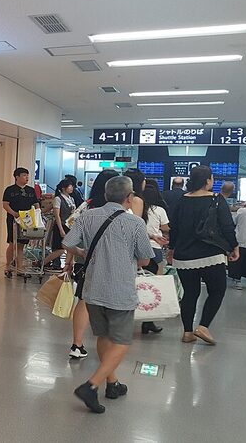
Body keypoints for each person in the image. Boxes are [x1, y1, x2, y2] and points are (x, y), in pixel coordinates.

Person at [64, 176, 154, 414]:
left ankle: (112, 383)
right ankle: (92, 385)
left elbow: (67, 242)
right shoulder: (135, 223)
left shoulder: (87, 216)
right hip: (120, 290)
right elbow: (145, 258)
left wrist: (83, 252)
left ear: (105, 195)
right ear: (129, 197)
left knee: (103, 335)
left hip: (93, 289)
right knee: (122, 341)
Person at [168, 165, 239, 345]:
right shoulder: (216, 199)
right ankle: (203, 326)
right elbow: (227, 226)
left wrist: (172, 248)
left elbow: (174, 227)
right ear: (208, 181)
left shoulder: (182, 200)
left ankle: (187, 332)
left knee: (190, 294)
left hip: (184, 256)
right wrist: (234, 246)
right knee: (217, 290)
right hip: (211, 255)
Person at [65, 169, 118, 359]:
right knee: (111, 302)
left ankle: (77, 344)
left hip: (85, 262)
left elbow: (71, 238)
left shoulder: (86, 207)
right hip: (113, 262)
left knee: (83, 300)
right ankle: (110, 344)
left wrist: (72, 259)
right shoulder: (121, 211)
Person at [140, 177, 170, 335]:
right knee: (153, 285)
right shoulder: (159, 210)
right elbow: (165, 228)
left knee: (138, 281)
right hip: (155, 249)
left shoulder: (138, 208)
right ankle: (148, 320)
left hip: (139, 249)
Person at [2, 167, 39, 278]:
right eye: (24, 175)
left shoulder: (31, 191)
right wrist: (14, 213)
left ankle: (20, 268)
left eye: (27, 175)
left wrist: (37, 214)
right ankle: (8, 266)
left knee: (21, 245)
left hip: (27, 220)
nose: (26, 177)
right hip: (13, 219)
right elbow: (5, 204)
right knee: (12, 243)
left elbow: (36, 204)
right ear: (17, 177)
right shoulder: (10, 190)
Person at [43, 179, 75, 272]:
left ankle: (68, 268)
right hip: (60, 226)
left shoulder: (71, 199)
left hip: (70, 226)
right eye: (70, 186)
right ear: (64, 188)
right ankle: (43, 263)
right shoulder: (58, 199)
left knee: (70, 249)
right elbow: (57, 215)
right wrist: (61, 229)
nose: (72, 188)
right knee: (60, 249)